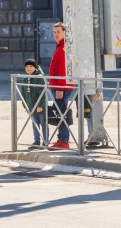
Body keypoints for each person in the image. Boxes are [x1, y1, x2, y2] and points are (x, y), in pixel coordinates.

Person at [47, 22, 74, 151]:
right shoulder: (59, 47)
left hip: (61, 87)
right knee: (60, 113)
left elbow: (63, 71)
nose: (56, 35)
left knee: (62, 113)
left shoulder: (63, 48)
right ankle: (61, 139)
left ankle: (64, 141)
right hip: (58, 86)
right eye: (54, 32)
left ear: (64, 33)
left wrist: (59, 89)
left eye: (58, 32)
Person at [19, 59, 48, 149]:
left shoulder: (39, 77)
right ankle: (36, 141)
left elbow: (43, 93)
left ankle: (45, 141)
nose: (28, 68)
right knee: (34, 123)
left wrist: (41, 105)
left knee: (43, 123)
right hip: (31, 106)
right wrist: (25, 104)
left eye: (31, 66)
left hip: (40, 106)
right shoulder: (25, 78)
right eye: (27, 66)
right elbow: (23, 92)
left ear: (35, 67)